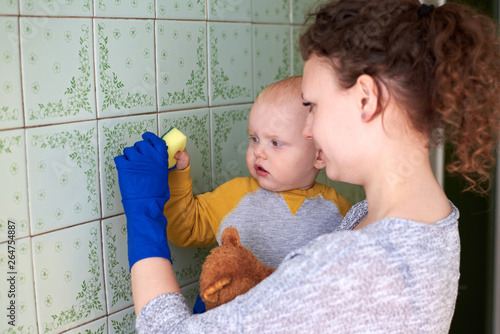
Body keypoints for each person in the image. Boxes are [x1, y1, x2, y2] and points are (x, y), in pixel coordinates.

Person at [114, 0, 500, 332]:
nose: (310, 130)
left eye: (313, 106)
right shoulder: (429, 222)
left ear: (365, 99)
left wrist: (144, 212)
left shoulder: (349, 267)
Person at [165, 75, 351, 271]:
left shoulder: (340, 212)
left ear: (319, 155)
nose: (258, 151)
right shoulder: (234, 196)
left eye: (276, 143)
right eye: (254, 138)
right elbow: (185, 229)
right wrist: (178, 174)